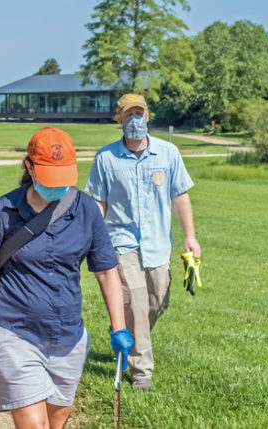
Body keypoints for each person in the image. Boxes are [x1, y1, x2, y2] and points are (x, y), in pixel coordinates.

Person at [0, 127, 133, 429]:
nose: (58, 187)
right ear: (29, 167)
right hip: (15, 333)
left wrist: (119, 328)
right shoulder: (4, 210)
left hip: (68, 338)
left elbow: (106, 272)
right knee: (35, 425)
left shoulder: (86, 211)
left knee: (55, 424)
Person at [85, 93, 201, 391]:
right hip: (121, 243)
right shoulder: (106, 158)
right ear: (119, 119)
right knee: (136, 302)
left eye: (140, 113)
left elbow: (180, 196)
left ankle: (122, 331)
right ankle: (141, 373)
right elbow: (98, 203)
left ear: (148, 116)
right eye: (128, 114)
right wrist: (95, 242)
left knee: (156, 302)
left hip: (158, 245)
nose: (135, 119)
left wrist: (190, 237)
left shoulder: (168, 153)